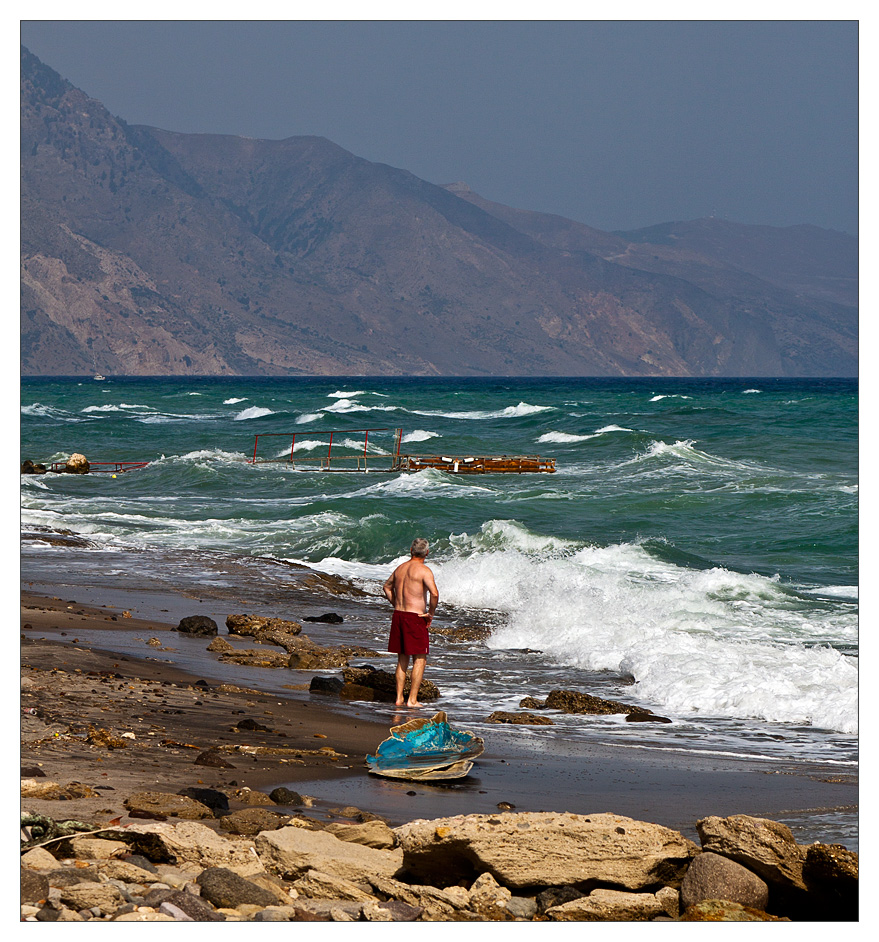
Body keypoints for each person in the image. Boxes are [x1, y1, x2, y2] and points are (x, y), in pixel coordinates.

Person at [382, 537, 439, 708]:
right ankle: (412, 700)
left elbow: (386, 587)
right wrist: (430, 613)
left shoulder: (400, 568)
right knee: (420, 659)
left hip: (399, 615)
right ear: (427, 553)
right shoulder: (424, 570)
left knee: (402, 659)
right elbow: (434, 594)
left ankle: (399, 697)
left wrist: (396, 604)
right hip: (415, 618)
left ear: (411, 550)